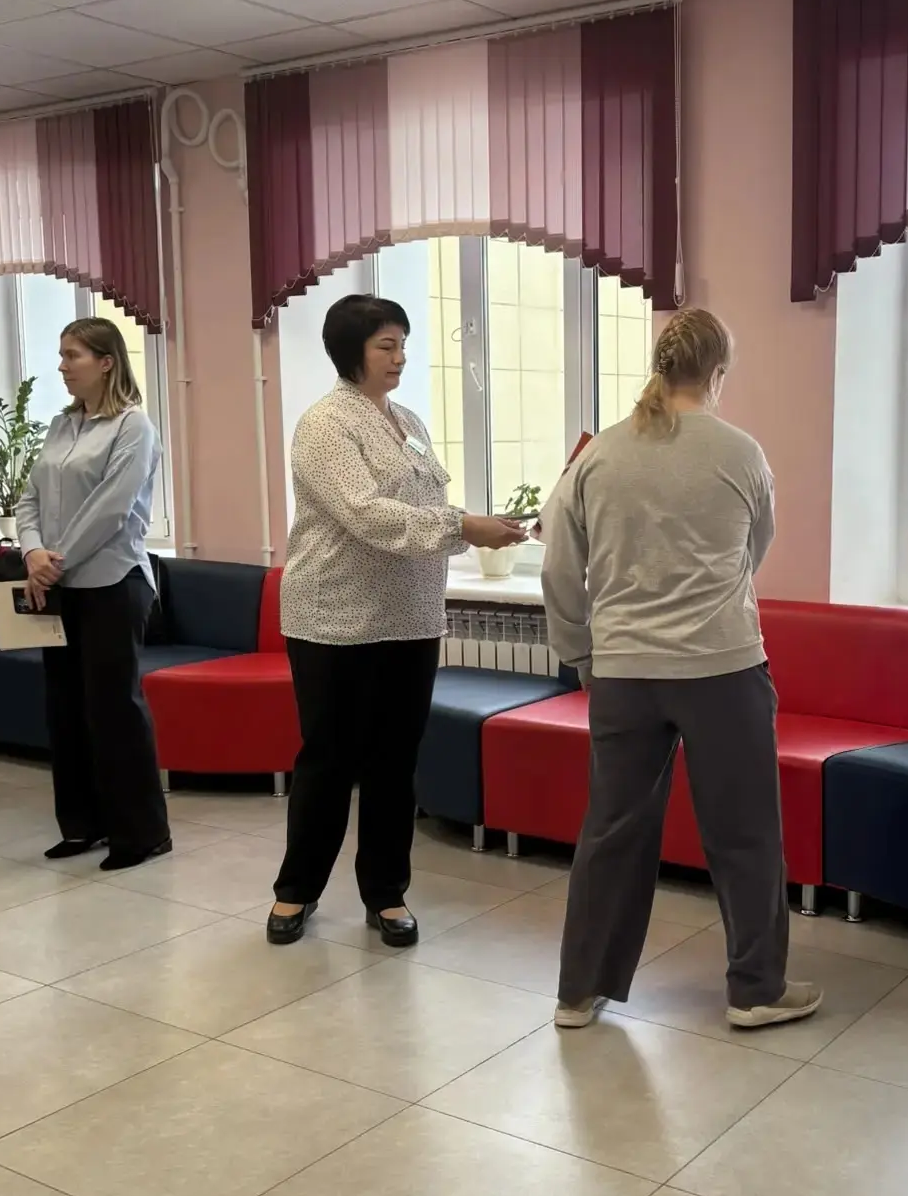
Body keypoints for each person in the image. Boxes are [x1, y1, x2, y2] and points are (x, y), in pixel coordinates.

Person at [541, 306, 821, 1031]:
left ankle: (579, 993)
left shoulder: (598, 457)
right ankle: (756, 990)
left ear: (659, 367)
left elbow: (560, 569)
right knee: (745, 833)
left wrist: (582, 653)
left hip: (624, 672)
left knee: (612, 831)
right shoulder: (741, 453)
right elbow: (752, 552)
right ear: (717, 373)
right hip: (722, 667)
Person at [266, 294, 524, 947]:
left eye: (403, 344)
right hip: (335, 619)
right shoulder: (326, 424)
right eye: (386, 345)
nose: (400, 357)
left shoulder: (406, 420)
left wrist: (470, 525)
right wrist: (464, 527)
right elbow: (368, 514)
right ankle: (296, 890)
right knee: (328, 761)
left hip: (410, 618)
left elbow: (419, 503)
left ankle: (386, 893)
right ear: (350, 350)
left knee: (393, 762)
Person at [19, 316, 171, 873]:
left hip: (112, 582)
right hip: (58, 583)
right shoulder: (62, 425)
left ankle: (142, 832)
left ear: (106, 362)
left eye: (72, 355)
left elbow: (111, 510)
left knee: (113, 710)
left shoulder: (134, 426)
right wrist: (32, 552)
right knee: (65, 708)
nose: (62, 366)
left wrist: (52, 563)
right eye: (61, 355)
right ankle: (83, 825)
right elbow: (30, 499)